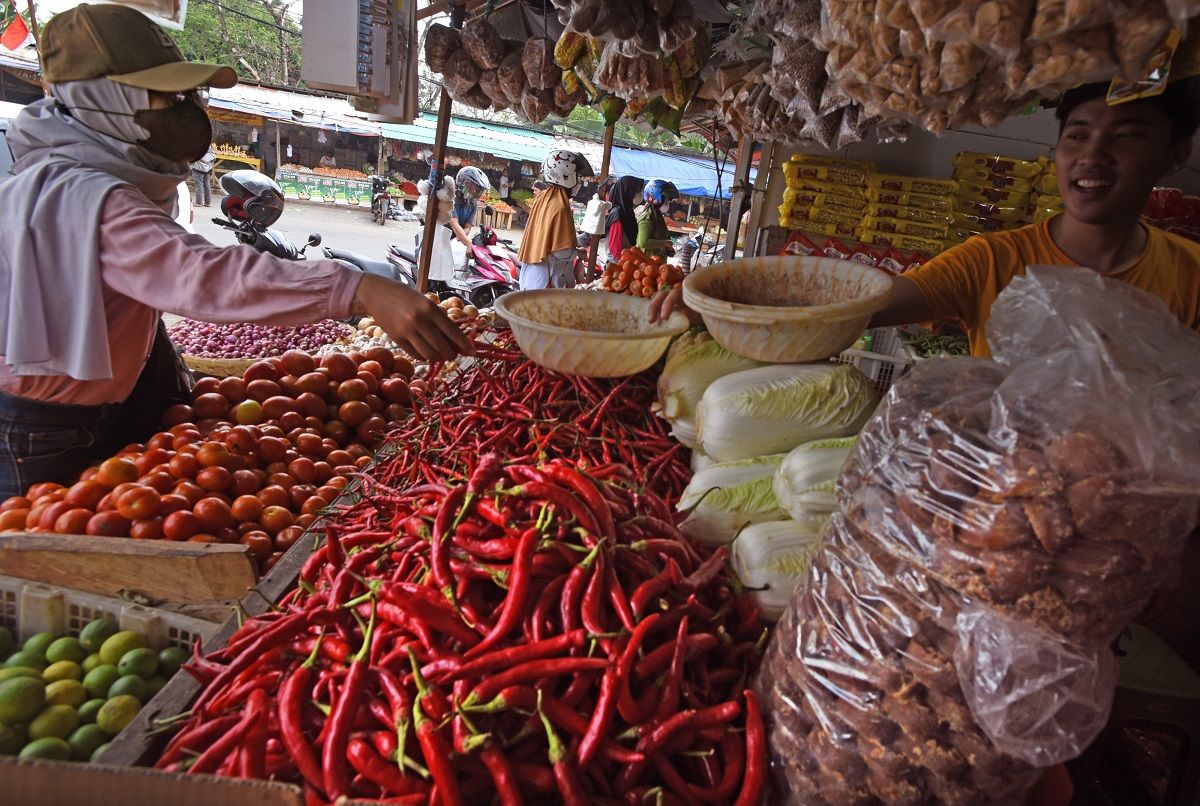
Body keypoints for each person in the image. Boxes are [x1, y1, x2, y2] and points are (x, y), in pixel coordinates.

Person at [0, 4, 471, 498]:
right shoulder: (84, 196)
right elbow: (200, 274)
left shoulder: (88, 178)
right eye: (163, 95)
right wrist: (357, 287)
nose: (183, 110)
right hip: (47, 432)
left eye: (183, 94)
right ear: (102, 100)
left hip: (107, 405)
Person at [652, 78, 1200, 347]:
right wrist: (725, 303)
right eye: (1077, 135)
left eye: (1126, 136)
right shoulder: (995, 260)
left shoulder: (1191, 278)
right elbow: (865, 305)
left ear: (1177, 155)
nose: (1093, 155)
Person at [517, 150, 593, 289]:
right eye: (577, 177)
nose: (579, 183)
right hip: (546, 282)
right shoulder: (561, 205)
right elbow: (560, 251)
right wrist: (578, 252)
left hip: (532, 277)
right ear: (565, 176)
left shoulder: (544, 197)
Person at [420, 165, 489, 294]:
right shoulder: (452, 199)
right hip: (439, 236)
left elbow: (468, 226)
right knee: (433, 272)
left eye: (478, 190)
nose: (475, 192)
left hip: (455, 240)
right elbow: (454, 223)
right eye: (473, 187)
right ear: (463, 183)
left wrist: (461, 237)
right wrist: (468, 243)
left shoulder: (473, 204)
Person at [605, 176, 644, 262]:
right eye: (636, 191)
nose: (640, 194)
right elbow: (615, 249)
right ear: (627, 192)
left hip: (628, 261)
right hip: (618, 265)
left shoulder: (628, 212)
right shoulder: (618, 214)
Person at [637, 179, 679, 258]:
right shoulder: (647, 217)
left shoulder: (658, 215)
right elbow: (643, 242)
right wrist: (664, 243)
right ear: (655, 197)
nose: (667, 201)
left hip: (657, 263)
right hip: (646, 265)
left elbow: (662, 237)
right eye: (665, 198)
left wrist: (668, 249)